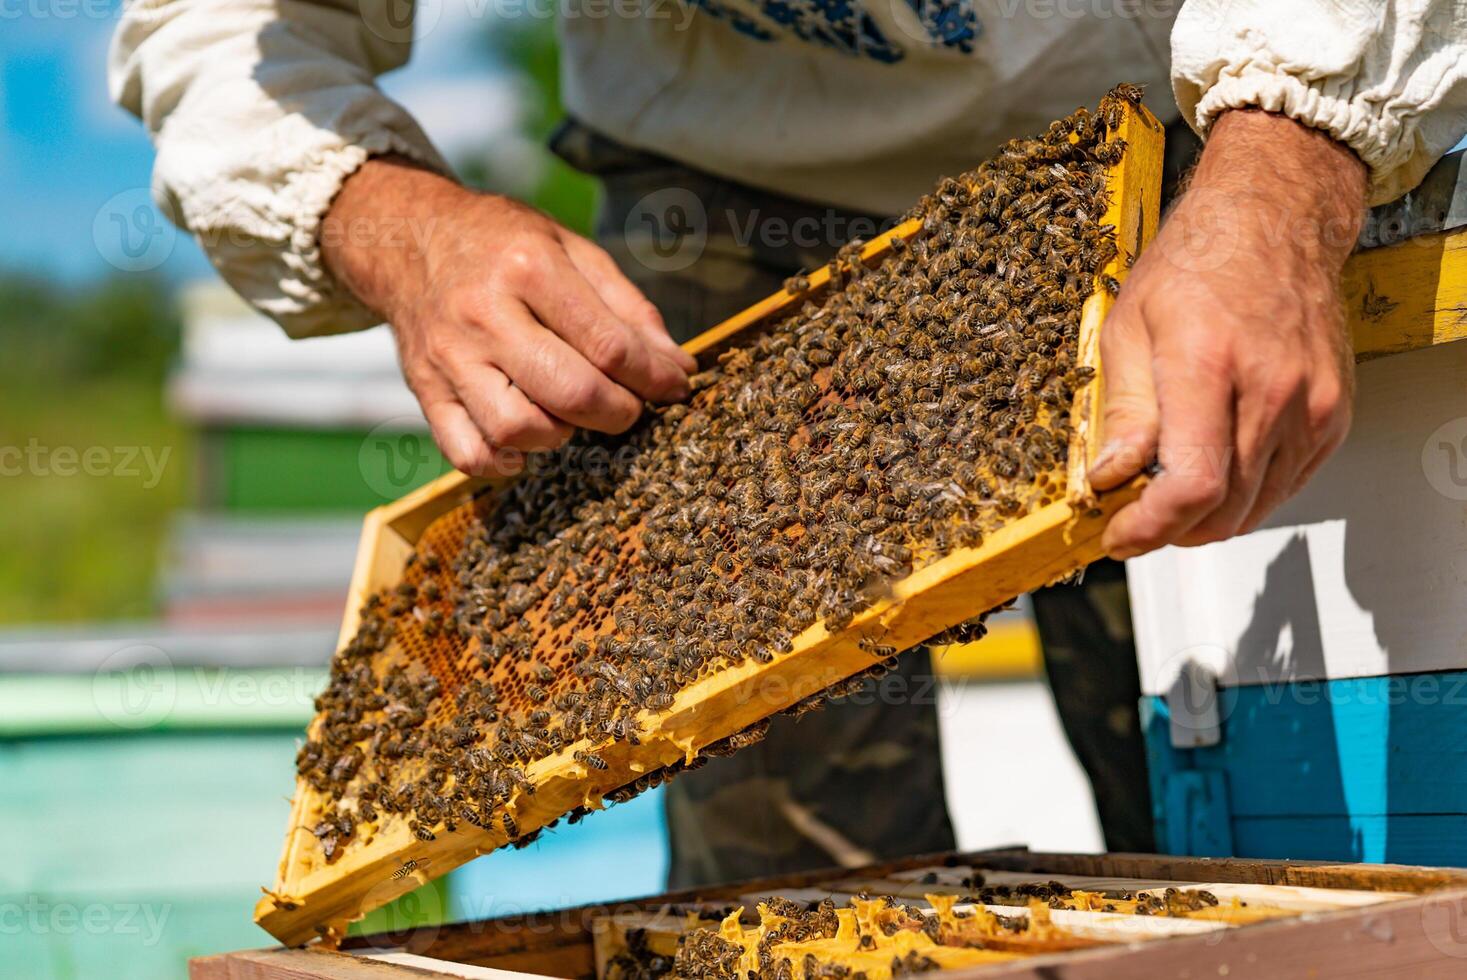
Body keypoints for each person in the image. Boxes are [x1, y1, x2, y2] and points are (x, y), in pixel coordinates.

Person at [112, 0, 1467, 886]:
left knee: (1252, 799)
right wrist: (399, 224)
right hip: (729, 187)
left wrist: (1290, 172)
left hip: (1205, 112)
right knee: (785, 899)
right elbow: (207, 29)